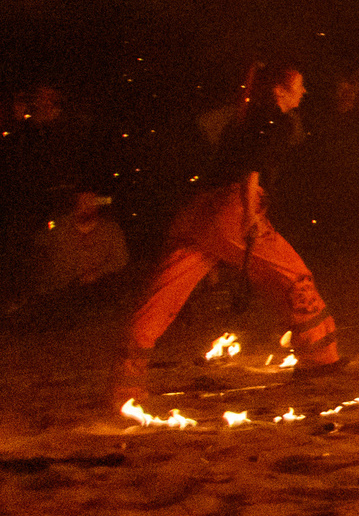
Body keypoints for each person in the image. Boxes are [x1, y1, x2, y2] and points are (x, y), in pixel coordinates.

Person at [110, 64, 343, 413]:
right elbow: (251, 169)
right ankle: (321, 359)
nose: (304, 92)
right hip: (232, 209)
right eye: (300, 86)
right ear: (280, 91)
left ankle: (126, 379)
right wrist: (250, 216)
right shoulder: (275, 121)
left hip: (196, 212)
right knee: (294, 275)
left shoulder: (242, 120)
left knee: (163, 294)